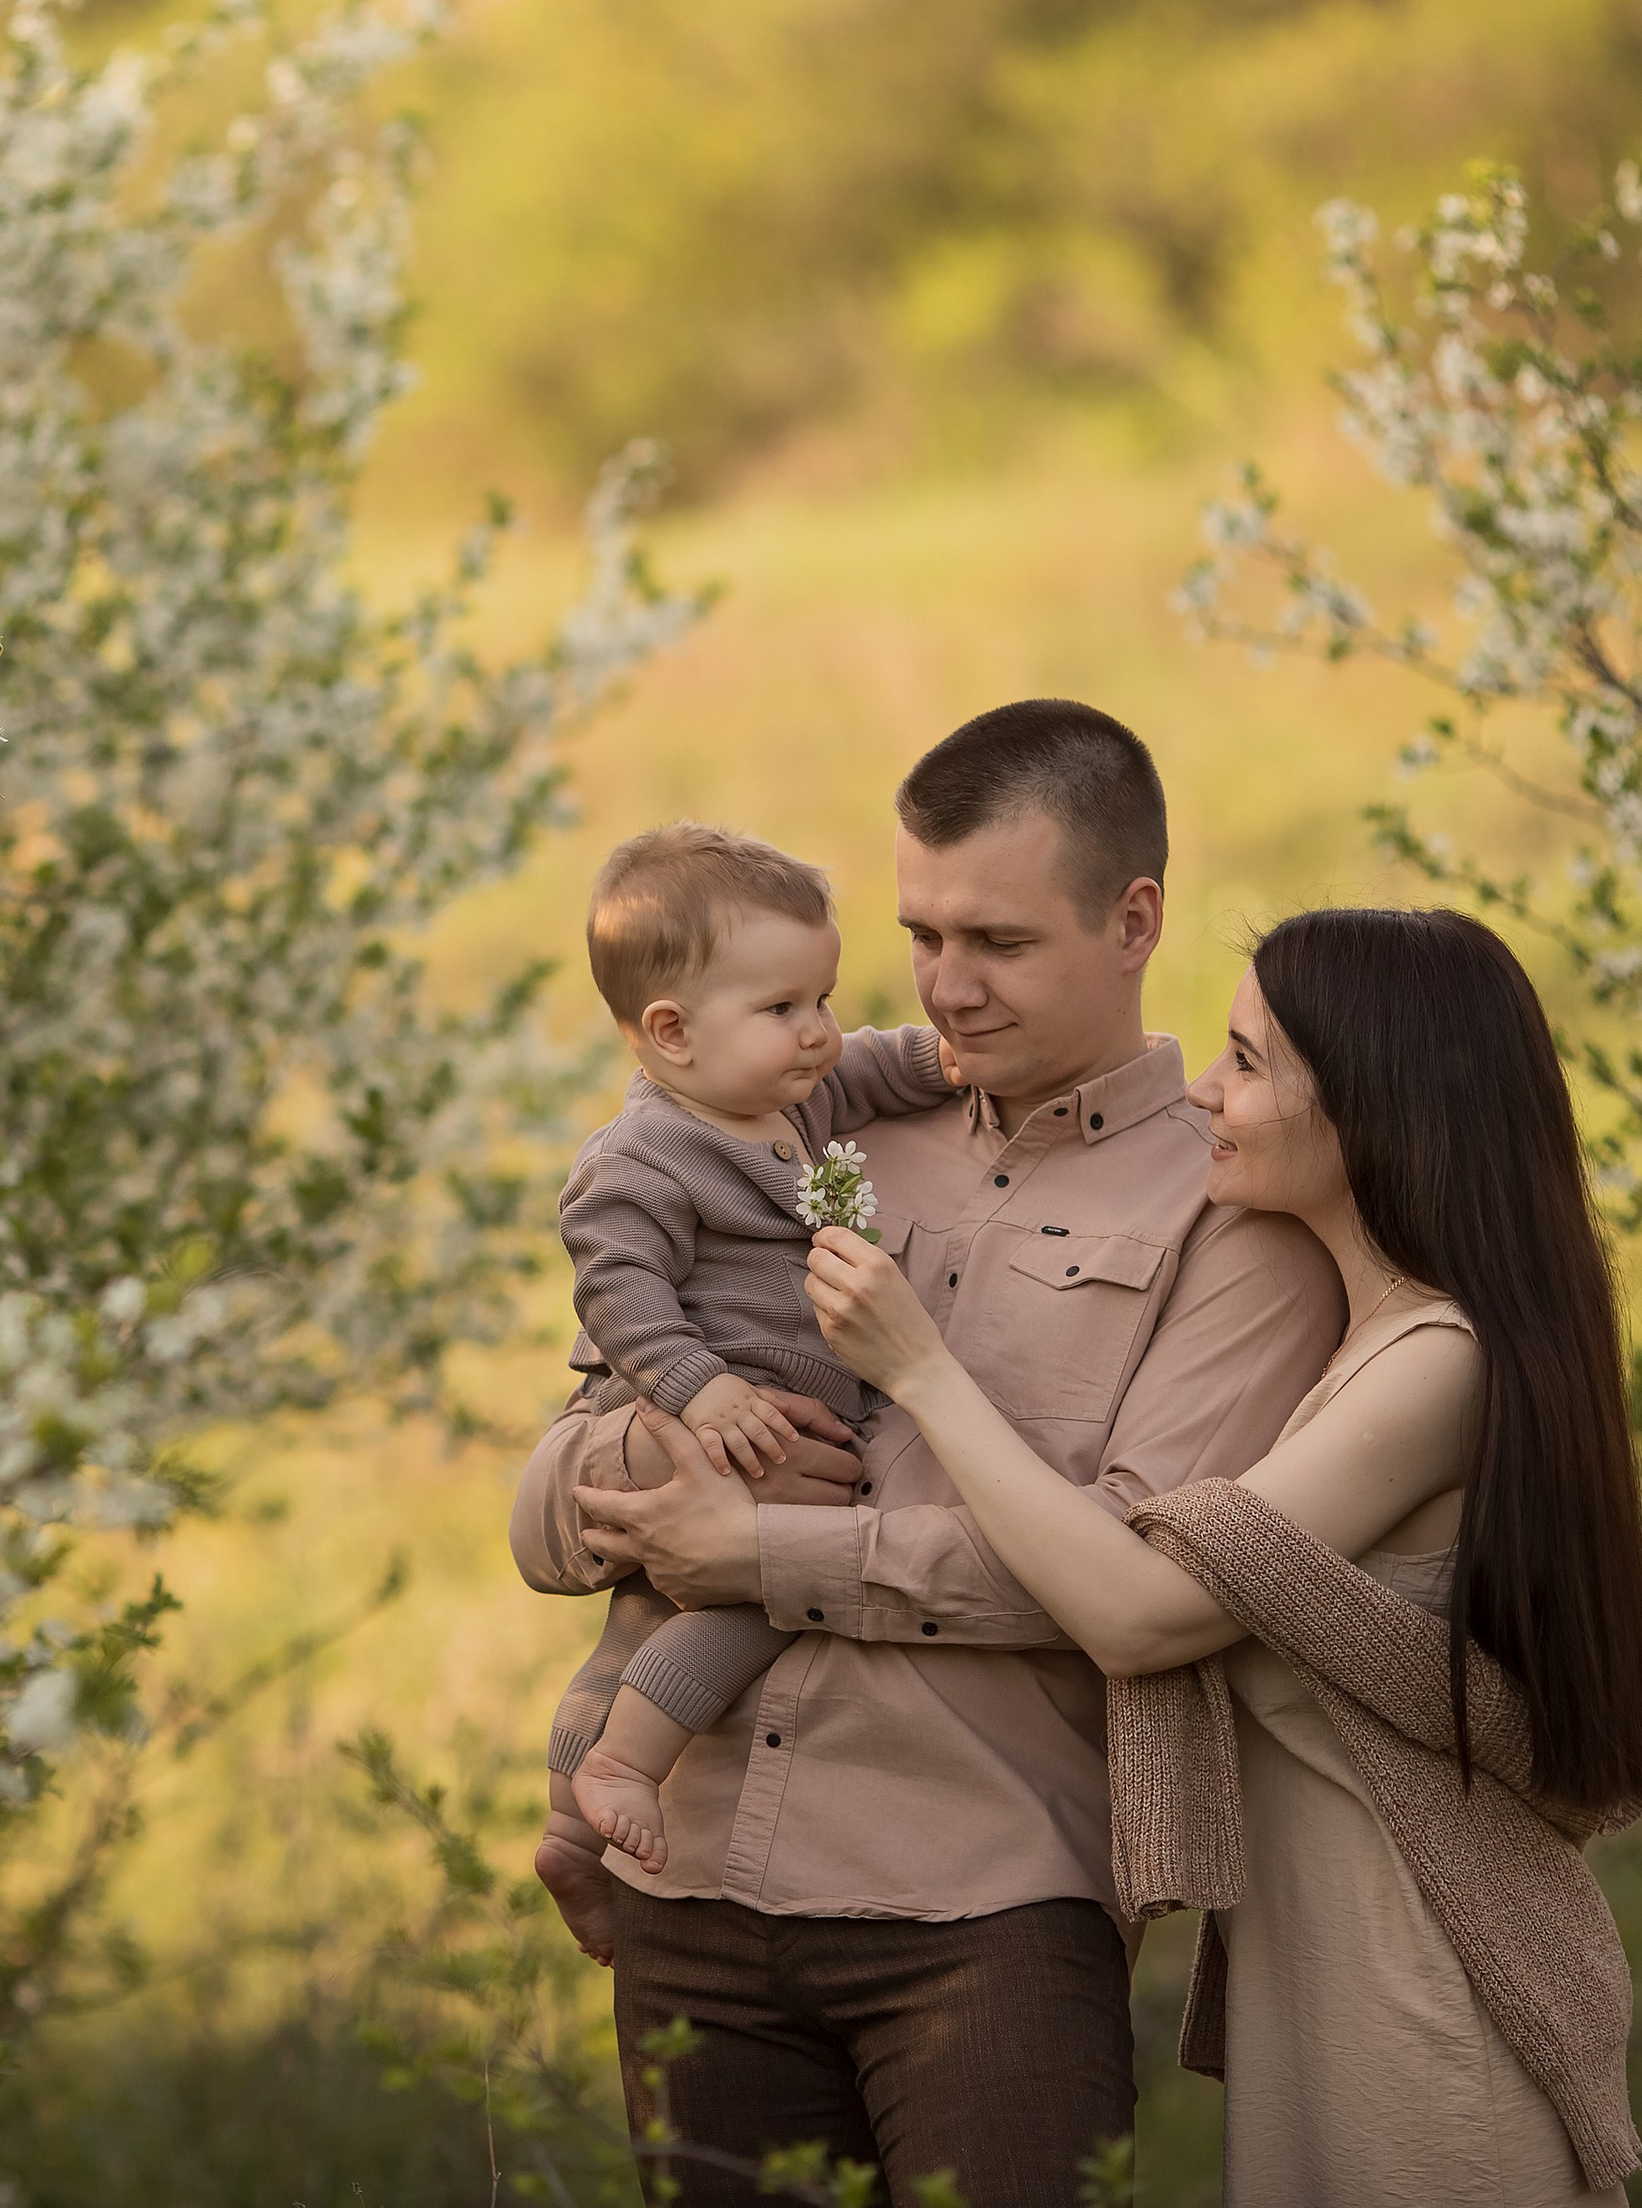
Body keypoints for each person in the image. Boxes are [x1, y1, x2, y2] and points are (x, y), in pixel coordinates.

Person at [510, 699, 1345, 2208]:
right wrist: (622, 1474)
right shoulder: (808, 1123)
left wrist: (758, 1553)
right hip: (690, 1884)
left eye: (1001, 945)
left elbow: (1136, 1579)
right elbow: (552, 1490)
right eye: (924, 936)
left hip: (983, 1912)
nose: (947, 990)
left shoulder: (1231, 1212)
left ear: (1135, 916)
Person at [804, 906, 1642, 2205]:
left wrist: (921, 1369)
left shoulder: (1440, 1365)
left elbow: (1143, 1615)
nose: (1206, 1088)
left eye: (1247, 1062)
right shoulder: (1362, 1358)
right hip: (1330, 2016)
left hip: (1425, 2028)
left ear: (1372, 1105)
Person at [534, 823, 956, 1953]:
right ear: (669, 1031)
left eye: (821, 995)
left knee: (635, 1627)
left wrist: (941, 1058)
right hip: (731, 1424)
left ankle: (570, 1832)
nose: (818, 1029)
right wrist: (697, 1390)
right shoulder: (642, 1154)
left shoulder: (785, 1095)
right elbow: (617, 1288)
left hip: (765, 1420)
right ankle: (626, 1762)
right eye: (784, 1009)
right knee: (754, 1596)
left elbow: (867, 1060)